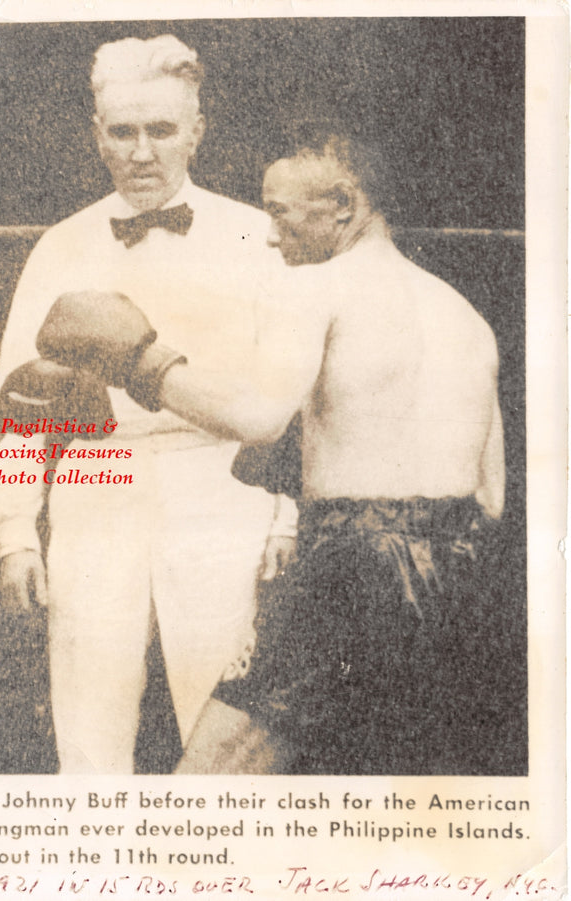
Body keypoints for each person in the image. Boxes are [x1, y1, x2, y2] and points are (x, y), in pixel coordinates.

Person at [36, 125, 506, 774]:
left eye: (281, 213)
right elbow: (491, 493)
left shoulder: (318, 286)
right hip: (460, 575)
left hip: (350, 566)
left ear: (342, 205)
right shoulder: (464, 315)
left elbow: (257, 417)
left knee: (205, 789)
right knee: (385, 795)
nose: (270, 234)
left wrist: (137, 362)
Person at [0, 35, 295, 773]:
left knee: (223, 729)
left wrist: (288, 514)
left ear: (197, 130)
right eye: (123, 132)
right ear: (98, 135)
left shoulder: (257, 237)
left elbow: (293, 393)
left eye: (161, 129)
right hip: (97, 479)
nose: (142, 152)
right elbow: (19, 404)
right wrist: (15, 530)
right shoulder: (60, 246)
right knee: (88, 728)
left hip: (222, 484)